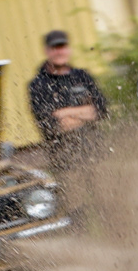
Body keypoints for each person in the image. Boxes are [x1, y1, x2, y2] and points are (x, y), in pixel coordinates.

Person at [26, 29, 107, 169]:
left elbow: (102, 110)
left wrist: (64, 113)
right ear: (46, 51)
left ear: (68, 49)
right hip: (64, 162)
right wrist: (85, 113)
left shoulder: (82, 76)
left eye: (62, 46)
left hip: (97, 154)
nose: (59, 52)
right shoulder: (38, 85)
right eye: (54, 48)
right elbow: (51, 125)